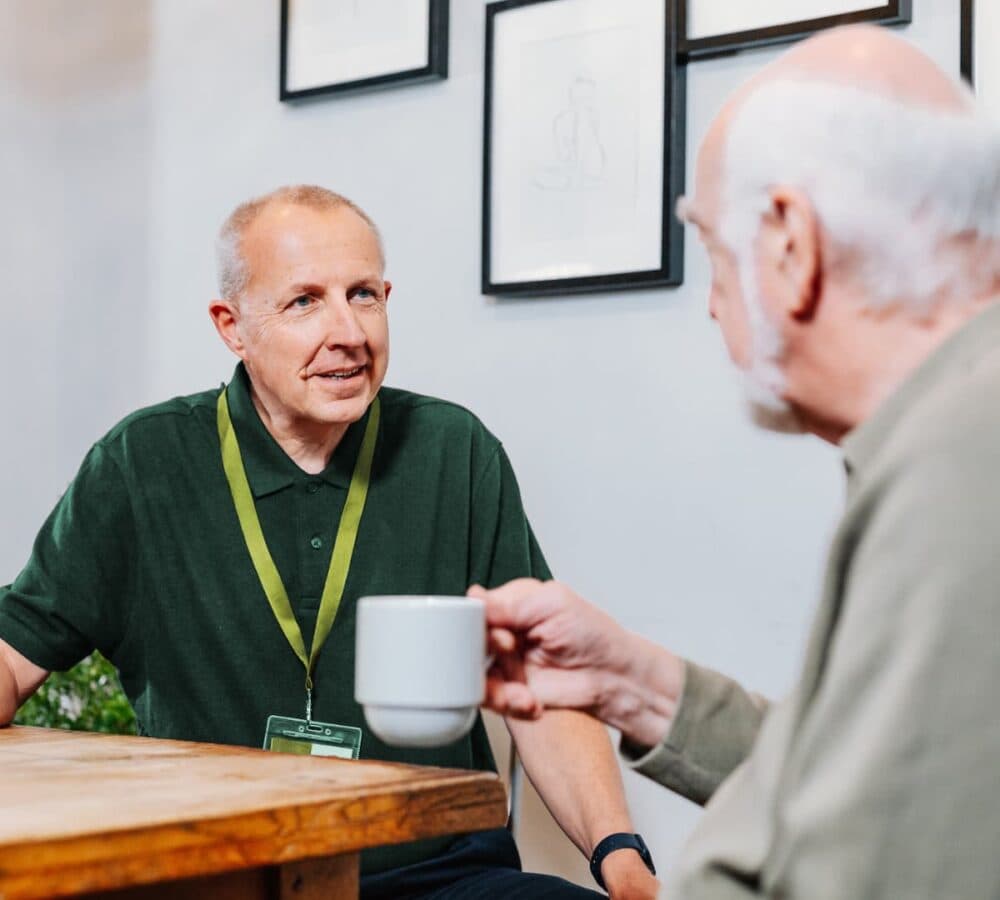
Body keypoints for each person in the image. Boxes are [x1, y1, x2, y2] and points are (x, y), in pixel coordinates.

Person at [0, 186, 659, 899]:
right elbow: (13, 657)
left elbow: (541, 690)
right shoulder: (141, 463)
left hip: (439, 874)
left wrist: (623, 861)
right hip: (227, 880)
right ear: (233, 327)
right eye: (304, 302)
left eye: (365, 295)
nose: (349, 331)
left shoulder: (455, 450)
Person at [475, 24, 1000, 899]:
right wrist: (628, 682)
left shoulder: (957, 474)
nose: (715, 306)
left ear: (791, 245)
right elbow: (863, 783)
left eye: (717, 253)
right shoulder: (955, 425)